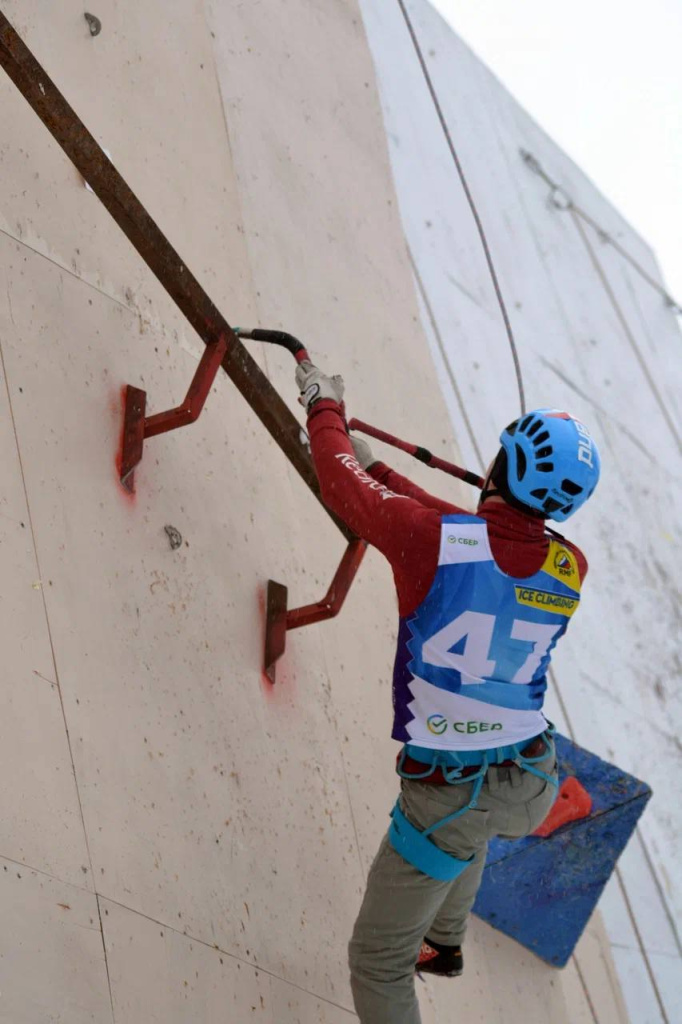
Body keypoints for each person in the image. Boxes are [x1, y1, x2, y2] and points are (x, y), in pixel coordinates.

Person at [294, 361, 600, 1024]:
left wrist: (325, 411)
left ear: (500, 463)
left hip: (451, 791)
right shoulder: (569, 568)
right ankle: (444, 942)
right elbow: (475, 535)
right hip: (529, 779)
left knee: (375, 964)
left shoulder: (429, 541)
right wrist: (377, 472)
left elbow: (342, 486)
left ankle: (430, 943)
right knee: (472, 827)